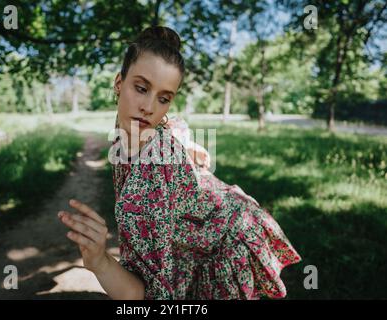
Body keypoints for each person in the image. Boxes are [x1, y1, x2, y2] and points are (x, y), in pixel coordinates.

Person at [58, 25, 301, 300]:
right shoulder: (133, 128)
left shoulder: (150, 176)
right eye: (141, 88)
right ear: (118, 83)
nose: (149, 106)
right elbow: (173, 124)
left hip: (228, 237)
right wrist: (188, 144)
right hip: (204, 231)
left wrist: (100, 262)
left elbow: (146, 296)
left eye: (164, 98)